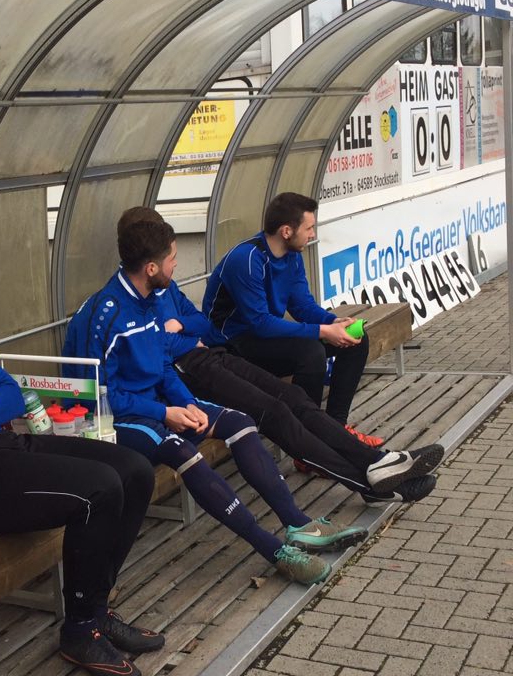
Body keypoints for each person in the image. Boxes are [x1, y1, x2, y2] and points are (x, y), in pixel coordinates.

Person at [64, 217, 369, 587]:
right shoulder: (106, 314)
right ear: (151, 268)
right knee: (183, 451)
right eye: (172, 259)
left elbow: (163, 364)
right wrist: (165, 412)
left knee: (241, 422)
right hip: (118, 419)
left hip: (157, 403)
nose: (177, 264)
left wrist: (186, 403)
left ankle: (299, 525)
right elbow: (99, 397)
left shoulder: (149, 299)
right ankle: (274, 551)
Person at [67, 207, 440, 504]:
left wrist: (181, 328)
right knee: (274, 413)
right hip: (188, 371)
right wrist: (181, 340)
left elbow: (202, 322)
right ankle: (370, 484)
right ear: (147, 258)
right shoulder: (125, 302)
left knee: (294, 397)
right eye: (169, 254)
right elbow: (150, 354)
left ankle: (377, 462)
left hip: (212, 355)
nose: (173, 261)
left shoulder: (164, 287)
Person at [0, 247, 159, 676]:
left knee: (135, 470)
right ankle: (79, 629)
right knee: (99, 488)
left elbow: (10, 393)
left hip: (6, 442)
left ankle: (96, 610)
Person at [202, 192, 376, 437]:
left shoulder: (292, 255)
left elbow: (302, 306)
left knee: (357, 340)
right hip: (231, 345)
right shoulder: (246, 258)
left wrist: (333, 322)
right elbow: (260, 323)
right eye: (309, 228)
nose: (312, 234)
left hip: (261, 337)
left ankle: (335, 429)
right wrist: (323, 331)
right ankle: (309, 436)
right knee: (310, 353)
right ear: (286, 231)